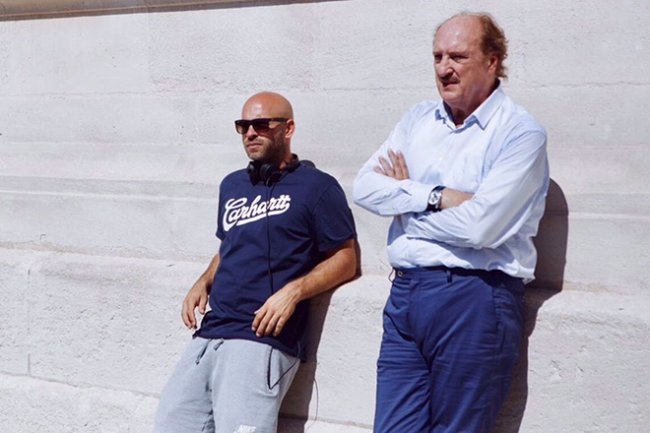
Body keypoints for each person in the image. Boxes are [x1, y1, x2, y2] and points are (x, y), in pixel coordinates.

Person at [353, 12, 549, 433]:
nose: (444, 68)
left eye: (458, 56)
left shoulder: (519, 133)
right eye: (438, 56)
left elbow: (481, 228)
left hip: (474, 297)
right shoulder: (417, 120)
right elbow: (364, 188)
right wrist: (435, 196)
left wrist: (404, 209)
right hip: (405, 296)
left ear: (492, 61)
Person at [154, 91, 358, 433]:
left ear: (288, 128)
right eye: (243, 125)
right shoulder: (233, 185)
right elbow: (230, 245)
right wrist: (204, 280)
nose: (250, 133)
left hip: (260, 340)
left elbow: (346, 259)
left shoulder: (318, 188)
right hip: (209, 335)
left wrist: (293, 292)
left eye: (262, 124)